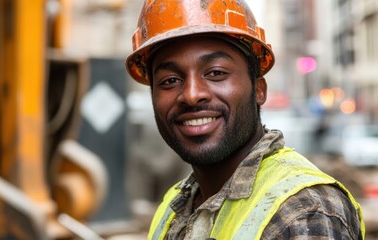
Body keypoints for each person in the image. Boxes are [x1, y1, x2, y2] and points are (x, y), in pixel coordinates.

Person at [125, 0, 365, 239]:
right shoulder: (172, 207)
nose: (191, 95)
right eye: (170, 80)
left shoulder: (302, 211)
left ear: (259, 89)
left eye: (216, 73)